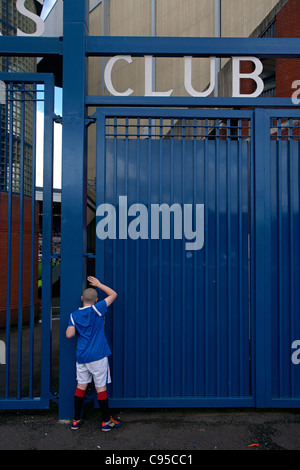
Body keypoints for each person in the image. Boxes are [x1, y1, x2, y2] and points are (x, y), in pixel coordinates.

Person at [66, 275, 120, 431]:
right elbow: (113, 294)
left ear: (82, 298)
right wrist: (99, 284)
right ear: (96, 300)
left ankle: (76, 420)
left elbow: (69, 335)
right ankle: (106, 422)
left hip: (82, 356)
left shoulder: (73, 315)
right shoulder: (98, 309)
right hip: (97, 355)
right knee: (100, 388)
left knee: (80, 386)